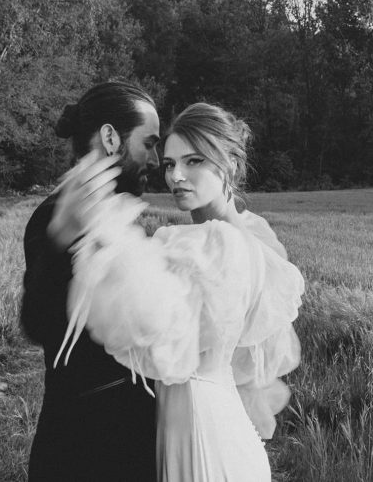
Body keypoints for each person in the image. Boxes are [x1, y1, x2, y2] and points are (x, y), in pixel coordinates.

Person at [53, 103, 304, 481]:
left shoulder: (221, 244)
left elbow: (157, 322)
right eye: (169, 164)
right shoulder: (247, 233)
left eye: (194, 161)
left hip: (205, 434)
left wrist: (100, 224)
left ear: (229, 166)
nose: (176, 177)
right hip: (200, 419)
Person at [20, 80, 161, 482]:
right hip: (85, 446)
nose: (156, 159)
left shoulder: (118, 211)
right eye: (148, 143)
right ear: (110, 137)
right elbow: (39, 322)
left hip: (127, 433)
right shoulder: (55, 215)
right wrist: (62, 237)